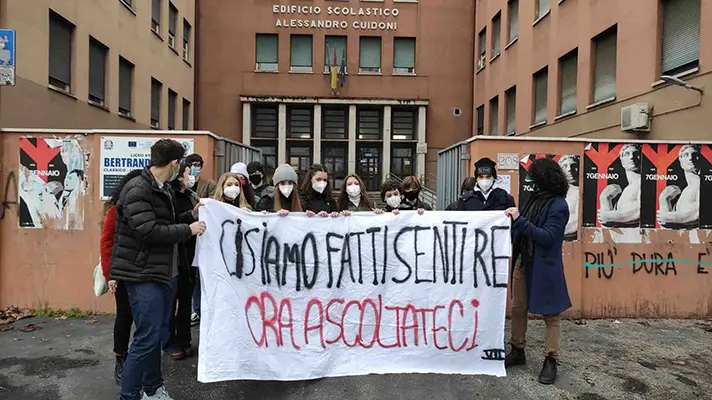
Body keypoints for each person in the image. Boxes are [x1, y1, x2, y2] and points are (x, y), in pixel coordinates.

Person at [110, 139, 206, 400]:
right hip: (143, 274)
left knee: (154, 338)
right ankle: (129, 395)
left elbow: (168, 222)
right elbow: (148, 231)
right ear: (174, 163)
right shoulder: (138, 190)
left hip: (163, 273)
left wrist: (190, 216)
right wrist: (188, 230)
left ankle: (152, 389)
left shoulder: (162, 188)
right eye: (181, 165)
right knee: (146, 338)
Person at [504, 157, 572, 385]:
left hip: (545, 265)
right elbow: (522, 228)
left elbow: (548, 237)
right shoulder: (534, 199)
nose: (531, 180)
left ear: (545, 179)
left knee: (551, 314)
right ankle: (517, 349)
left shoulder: (559, 205)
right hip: (524, 260)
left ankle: (551, 358)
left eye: (535, 176)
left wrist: (520, 221)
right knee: (517, 307)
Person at [100, 169, 142, 386]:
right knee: (125, 317)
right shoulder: (115, 211)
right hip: (122, 272)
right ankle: (121, 358)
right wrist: (111, 275)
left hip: (143, 270)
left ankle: (138, 360)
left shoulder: (147, 207)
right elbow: (107, 243)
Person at [163, 162, 200, 362]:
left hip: (189, 259)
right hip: (174, 259)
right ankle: (169, 343)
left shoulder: (192, 196)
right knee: (169, 305)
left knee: (186, 304)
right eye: (188, 172)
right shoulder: (169, 197)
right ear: (179, 176)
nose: (191, 176)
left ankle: (185, 340)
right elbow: (173, 222)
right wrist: (190, 218)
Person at [657, 144, 700, 229]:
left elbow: (700, 212)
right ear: (681, 162)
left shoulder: (702, 185)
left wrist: (670, 217)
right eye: (686, 155)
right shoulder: (686, 190)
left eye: (695, 155)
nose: (690, 158)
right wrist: (663, 199)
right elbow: (666, 225)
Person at [597, 144, 641, 227]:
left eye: (636, 154)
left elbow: (639, 211)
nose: (631, 157)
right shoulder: (627, 189)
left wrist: (609, 216)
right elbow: (607, 224)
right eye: (627, 154)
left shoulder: (642, 183)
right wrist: (604, 198)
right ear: (621, 160)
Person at [558, 155, 581, 240]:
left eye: (573, 166)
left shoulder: (580, 193)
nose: (569, 169)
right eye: (565, 166)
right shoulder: (558, 192)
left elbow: (577, 221)